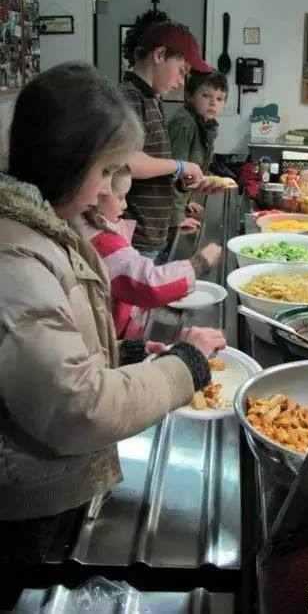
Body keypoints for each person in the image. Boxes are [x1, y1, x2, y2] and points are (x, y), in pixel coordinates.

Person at [0, 62, 226, 575]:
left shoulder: (46, 223)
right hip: (25, 507)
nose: (106, 191)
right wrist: (185, 365)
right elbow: (77, 408)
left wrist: (123, 355)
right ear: (69, 163)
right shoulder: (17, 258)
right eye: (105, 172)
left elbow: (50, 352)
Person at [82, 165, 221, 340]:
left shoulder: (102, 228)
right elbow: (149, 284)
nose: (125, 205)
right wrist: (201, 263)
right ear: (96, 196)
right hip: (116, 331)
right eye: (120, 197)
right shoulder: (102, 242)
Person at [121, 16, 217, 260]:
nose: (181, 82)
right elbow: (127, 162)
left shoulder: (152, 99)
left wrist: (181, 186)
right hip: (136, 238)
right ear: (160, 55)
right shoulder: (128, 98)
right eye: (181, 71)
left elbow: (154, 164)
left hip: (156, 232)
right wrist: (180, 166)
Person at [168, 70, 229, 227]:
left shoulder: (205, 125)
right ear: (189, 96)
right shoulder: (184, 124)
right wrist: (177, 217)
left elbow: (190, 175)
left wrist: (187, 202)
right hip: (164, 212)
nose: (213, 103)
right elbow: (173, 174)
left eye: (219, 99)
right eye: (206, 96)